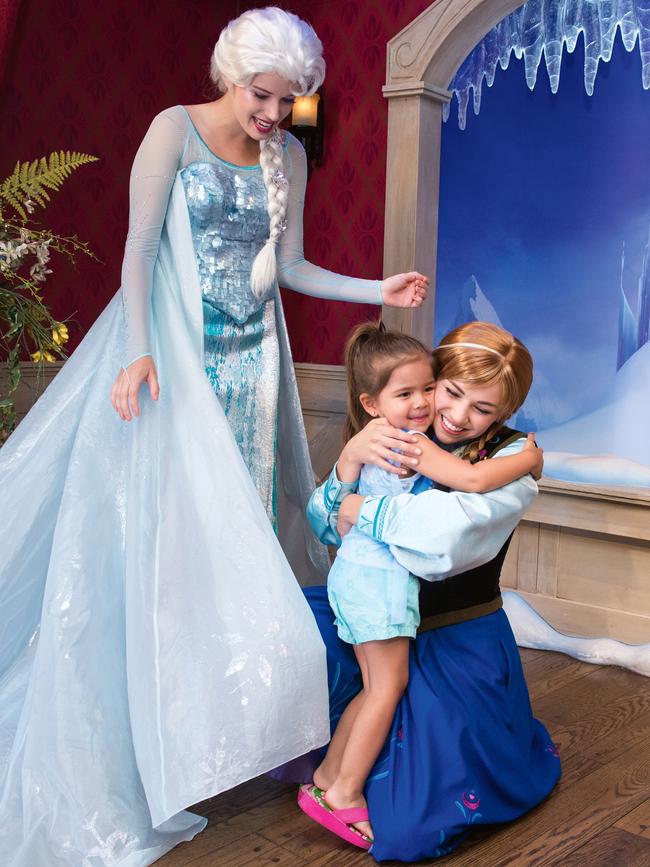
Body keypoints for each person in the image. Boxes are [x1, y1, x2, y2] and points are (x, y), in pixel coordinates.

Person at [0, 8, 427, 866]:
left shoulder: (289, 156)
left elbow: (294, 267)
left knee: (239, 539)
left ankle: (224, 725)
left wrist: (378, 285)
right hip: (174, 363)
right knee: (168, 542)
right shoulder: (174, 132)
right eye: (261, 95)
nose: (272, 114)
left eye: (288, 100)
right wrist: (137, 353)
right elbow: (139, 247)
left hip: (253, 369)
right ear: (230, 75)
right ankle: (153, 728)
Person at [284, 321, 561, 861]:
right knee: (287, 641)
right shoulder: (399, 416)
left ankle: (348, 782)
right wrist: (346, 464)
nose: (457, 416)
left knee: (410, 824)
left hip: (452, 635)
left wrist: (357, 508)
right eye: (450, 392)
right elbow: (321, 527)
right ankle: (330, 779)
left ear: (503, 412)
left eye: (482, 409)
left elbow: (441, 544)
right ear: (434, 378)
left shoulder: (511, 463)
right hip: (377, 614)